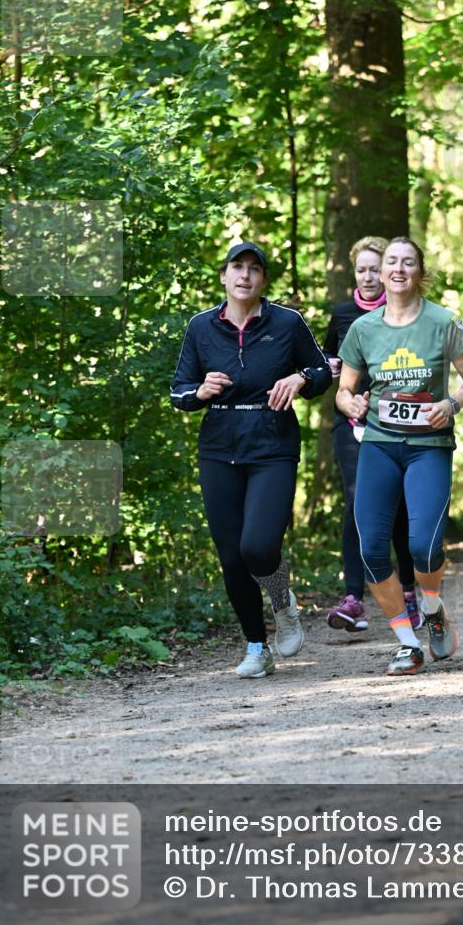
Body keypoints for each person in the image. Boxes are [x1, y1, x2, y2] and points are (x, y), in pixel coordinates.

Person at [171, 241, 331, 679]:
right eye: (236, 267)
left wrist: (300, 378)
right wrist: (200, 393)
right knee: (231, 556)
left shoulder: (287, 322)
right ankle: (257, 646)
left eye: (254, 269)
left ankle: (281, 600)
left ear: (263, 279)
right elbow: (178, 390)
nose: (244, 275)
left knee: (257, 546)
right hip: (219, 447)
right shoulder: (201, 327)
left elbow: (322, 372)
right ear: (223, 276)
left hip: (272, 443)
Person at [336, 237, 463, 676]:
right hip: (380, 446)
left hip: (428, 448)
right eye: (391, 263)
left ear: (420, 272)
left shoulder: (443, 322)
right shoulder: (363, 330)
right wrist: (352, 404)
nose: (398, 269)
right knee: (371, 550)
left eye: (407, 262)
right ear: (380, 273)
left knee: (422, 546)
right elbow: (344, 391)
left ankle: (434, 608)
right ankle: (407, 643)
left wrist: (452, 404)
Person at [323, 236, 422, 633]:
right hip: (352, 425)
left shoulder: (405, 314)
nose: (367, 276)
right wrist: (326, 372)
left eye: (373, 269)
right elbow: (328, 365)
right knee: (355, 503)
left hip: (398, 423)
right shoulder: (343, 314)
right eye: (361, 269)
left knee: (396, 507)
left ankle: (411, 590)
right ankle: (353, 598)